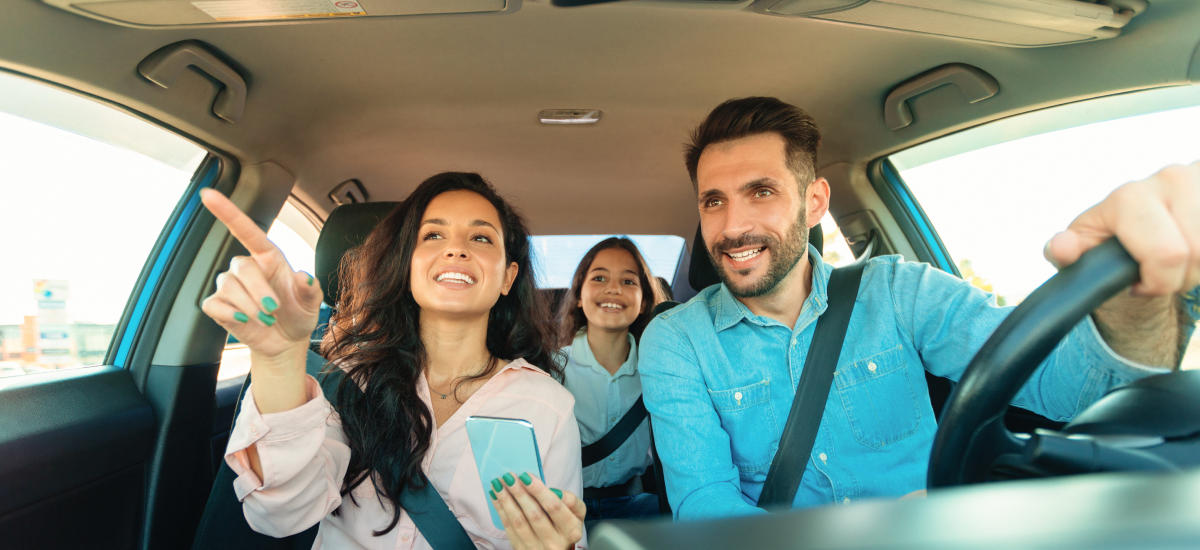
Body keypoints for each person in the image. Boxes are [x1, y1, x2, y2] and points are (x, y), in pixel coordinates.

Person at [639, 97, 1200, 521]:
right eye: (714, 201)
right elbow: (704, 504)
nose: (733, 225)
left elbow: (1074, 389)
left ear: (814, 203)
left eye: (761, 191)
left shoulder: (899, 292)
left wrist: (1137, 296)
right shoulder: (677, 340)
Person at [200, 172, 588, 549]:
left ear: (507, 277)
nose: (456, 249)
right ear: (407, 265)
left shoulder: (549, 405)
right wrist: (280, 360)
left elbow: (568, 538)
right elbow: (282, 513)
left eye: (481, 237)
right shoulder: (348, 379)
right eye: (433, 235)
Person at [556, 238, 666, 523]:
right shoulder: (550, 369)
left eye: (628, 281)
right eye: (599, 278)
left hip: (637, 505)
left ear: (643, 302)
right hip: (566, 507)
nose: (613, 289)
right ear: (579, 296)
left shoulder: (662, 371)